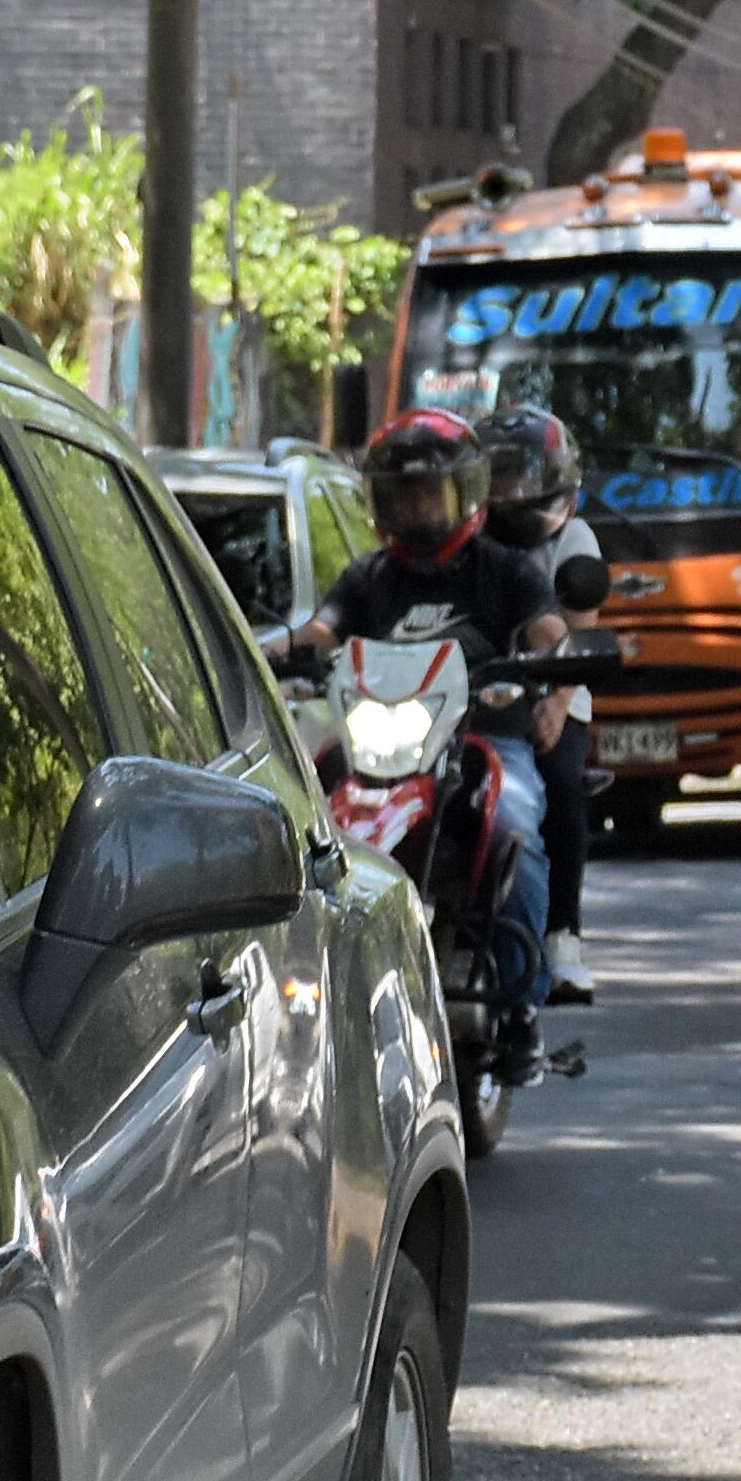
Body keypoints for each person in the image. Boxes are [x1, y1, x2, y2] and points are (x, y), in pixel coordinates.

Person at [290, 409, 569, 1032]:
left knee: (515, 828)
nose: (417, 505)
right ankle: (306, 987)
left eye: (429, 490)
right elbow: (322, 630)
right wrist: (268, 652)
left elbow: (548, 628)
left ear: (465, 492)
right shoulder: (368, 578)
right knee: (308, 821)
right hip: (379, 747)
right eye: (403, 493)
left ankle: (522, 1005)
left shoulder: (504, 570)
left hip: (484, 739)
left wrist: (550, 663)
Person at [478, 404, 600, 1004]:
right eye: (497, 476)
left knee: (559, 780)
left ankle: (561, 936)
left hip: (553, 688)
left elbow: (575, 634)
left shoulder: (573, 539)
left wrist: (555, 703)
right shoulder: (461, 542)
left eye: (522, 476)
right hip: (469, 690)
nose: (510, 492)